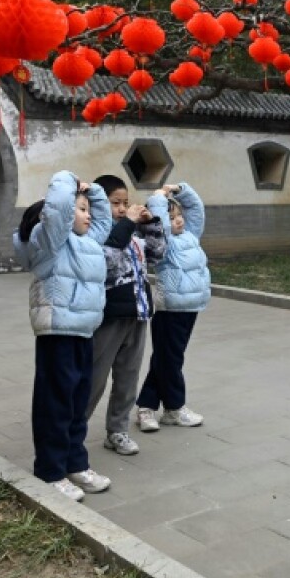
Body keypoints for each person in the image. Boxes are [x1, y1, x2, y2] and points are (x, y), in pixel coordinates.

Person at [13, 171, 113, 502]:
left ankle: (75, 463)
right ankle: (50, 470)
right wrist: (68, 180)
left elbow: (103, 222)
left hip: (83, 331)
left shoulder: (87, 243)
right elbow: (56, 211)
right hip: (57, 330)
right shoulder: (50, 243)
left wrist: (94, 192)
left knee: (76, 401)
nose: (88, 215)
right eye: (81, 209)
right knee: (55, 403)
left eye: (87, 209)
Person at [88, 174, 166, 456]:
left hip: (139, 313)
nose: (122, 208)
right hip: (109, 318)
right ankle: (72, 433)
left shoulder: (131, 234)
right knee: (94, 380)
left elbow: (158, 255)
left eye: (125, 203)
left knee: (128, 377)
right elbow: (107, 262)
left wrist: (151, 224)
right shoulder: (95, 235)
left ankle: (117, 431)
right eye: (114, 203)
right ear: (99, 205)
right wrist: (127, 223)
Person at [135, 182, 211, 432]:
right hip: (171, 309)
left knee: (166, 359)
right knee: (170, 360)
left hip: (191, 307)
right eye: (171, 218)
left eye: (179, 216)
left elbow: (196, 210)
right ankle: (174, 407)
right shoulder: (163, 243)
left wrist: (180, 190)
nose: (178, 221)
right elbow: (160, 226)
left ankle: (148, 407)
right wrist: (157, 199)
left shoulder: (191, 235)